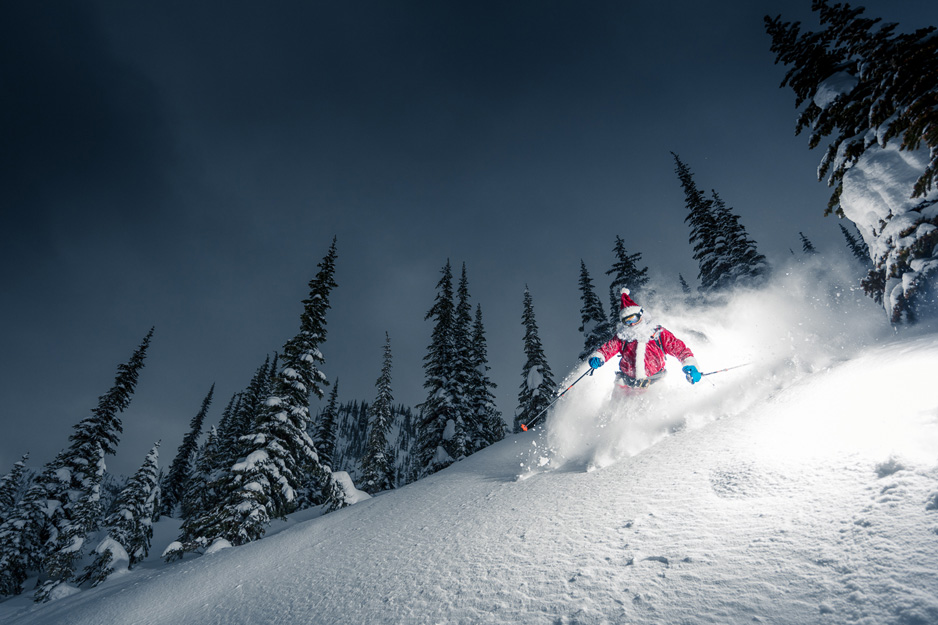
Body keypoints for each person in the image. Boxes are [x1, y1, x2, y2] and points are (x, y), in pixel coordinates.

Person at [587, 288, 701, 396]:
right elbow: (608, 348)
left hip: (654, 383)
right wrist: (599, 356)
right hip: (625, 384)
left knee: (658, 413)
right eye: (627, 321)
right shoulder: (622, 337)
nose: (632, 324)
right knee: (618, 412)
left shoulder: (657, 333)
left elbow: (679, 348)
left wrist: (689, 364)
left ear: (641, 315)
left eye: (634, 319)